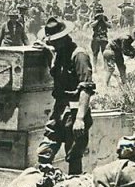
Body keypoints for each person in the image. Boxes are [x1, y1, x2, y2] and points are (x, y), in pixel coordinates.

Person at [34, 18, 96, 175]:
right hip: (59, 109)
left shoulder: (79, 56)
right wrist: (45, 48)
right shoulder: (60, 52)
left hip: (74, 113)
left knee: (73, 156)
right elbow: (53, 58)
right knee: (45, 150)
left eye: (55, 40)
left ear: (63, 38)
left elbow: (86, 88)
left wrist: (80, 118)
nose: (52, 43)